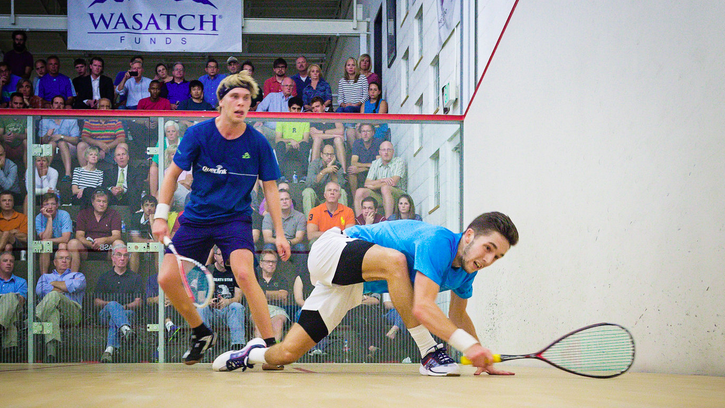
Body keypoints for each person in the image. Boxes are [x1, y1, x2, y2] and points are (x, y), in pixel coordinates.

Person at [214, 212, 519, 377]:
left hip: (350, 285)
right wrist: (466, 345)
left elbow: (458, 315)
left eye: (497, 257)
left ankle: (249, 355)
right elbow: (423, 307)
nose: (488, 259)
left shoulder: (468, 270)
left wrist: (480, 354)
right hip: (335, 249)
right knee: (396, 261)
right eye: (488, 248)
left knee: (284, 356)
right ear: (468, 236)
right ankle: (428, 354)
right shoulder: (437, 241)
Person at [151, 71, 291, 365]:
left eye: (246, 99)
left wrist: (279, 233)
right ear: (221, 101)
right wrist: (161, 216)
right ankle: (201, 331)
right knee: (166, 278)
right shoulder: (198, 134)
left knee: (243, 273)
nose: (241, 103)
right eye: (235, 97)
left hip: (234, 219)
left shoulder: (258, 143)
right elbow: (172, 174)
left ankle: (271, 347)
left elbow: (270, 188)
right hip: (197, 217)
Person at [94, 243, 144, 363]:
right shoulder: (104, 277)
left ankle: (109, 350)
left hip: (128, 313)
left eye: (125, 255)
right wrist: (112, 305)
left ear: (128, 258)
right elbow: (96, 301)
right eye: (119, 255)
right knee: (112, 305)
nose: (122, 258)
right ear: (113, 258)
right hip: (105, 314)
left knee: (115, 319)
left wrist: (123, 307)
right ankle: (126, 330)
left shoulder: (135, 278)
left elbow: (138, 302)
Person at [35, 249, 86, 362]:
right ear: (54, 262)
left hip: (73, 313)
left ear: (71, 262)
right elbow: (39, 291)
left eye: (67, 258)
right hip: (51, 310)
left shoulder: (78, 276)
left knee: (53, 295)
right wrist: (64, 287)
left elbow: (76, 286)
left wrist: (53, 285)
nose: (64, 261)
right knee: (53, 313)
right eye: (61, 258)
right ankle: (51, 355)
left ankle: (34, 320)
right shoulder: (45, 277)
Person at [198, 246, 246, 350]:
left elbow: (238, 297)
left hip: (228, 311)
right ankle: (204, 344)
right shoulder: (206, 271)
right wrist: (209, 301)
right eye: (220, 254)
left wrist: (227, 301)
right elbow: (200, 298)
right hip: (211, 311)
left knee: (237, 306)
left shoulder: (236, 270)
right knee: (201, 307)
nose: (223, 257)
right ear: (215, 256)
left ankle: (238, 345)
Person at [67, 189, 122, 272]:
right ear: (93, 202)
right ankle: (72, 277)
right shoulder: (83, 213)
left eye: (104, 201)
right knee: (72, 243)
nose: (101, 204)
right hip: (87, 249)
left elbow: (117, 235)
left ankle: (117, 278)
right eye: (98, 201)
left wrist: (104, 240)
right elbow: (79, 235)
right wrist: (91, 244)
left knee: (119, 243)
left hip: (107, 249)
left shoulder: (114, 214)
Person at [354, 141, 407, 218]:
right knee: (359, 192)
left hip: (398, 196)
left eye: (389, 150)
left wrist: (374, 186)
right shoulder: (375, 163)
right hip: (379, 195)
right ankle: (360, 221)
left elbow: (393, 182)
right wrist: (382, 180)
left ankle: (388, 220)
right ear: (379, 152)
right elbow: (367, 183)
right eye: (383, 150)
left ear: (393, 152)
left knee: (385, 188)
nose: (386, 152)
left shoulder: (398, 162)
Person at [38, 95, 80, 181]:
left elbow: (76, 140)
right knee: (51, 143)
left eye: (61, 103)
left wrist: (61, 137)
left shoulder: (71, 119)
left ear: (64, 106)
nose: (58, 105)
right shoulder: (44, 120)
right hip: (51, 148)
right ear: (51, 105)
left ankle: (68, 174)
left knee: (61, 143)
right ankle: (45, 173)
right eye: (56, 103)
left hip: (69, 149)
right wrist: (47, 135)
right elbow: (41, 141)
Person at [262, 189, 306, 267]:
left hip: (291, 244)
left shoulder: (300, 216)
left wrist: (288, 243)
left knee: (300, 248)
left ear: (291, 201)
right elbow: (267, 238)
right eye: (281, 200)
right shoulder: (269, 216)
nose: (284, 201)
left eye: (286, 199)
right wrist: (280, 242)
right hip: (275, 244)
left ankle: (302, 277)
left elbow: (299, 238)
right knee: (268, 247)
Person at [302, 145, 348, 216]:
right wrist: (325, 171)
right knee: (307, 192)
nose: (329, 157)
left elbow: (341, 186)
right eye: (327, 154)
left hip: (332, 198)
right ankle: (310, 223)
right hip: (317, 198)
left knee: (342, 192)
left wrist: (331, 171)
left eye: (331, 154)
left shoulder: (338, 165)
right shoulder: (314, 164)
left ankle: (342, 222)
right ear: (321, 155)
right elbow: (308, 184)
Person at [255, 250, 289, 342]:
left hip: (277, 309)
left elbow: (283, 295)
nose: (271, 264)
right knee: (259, 325)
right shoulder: (254, 278)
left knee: (278, 323)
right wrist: (275, 294)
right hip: (257, 309)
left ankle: (273, 349)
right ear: (261, 264)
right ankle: (259, 350)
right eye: (267, 261)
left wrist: (263, 293)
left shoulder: (281, 278)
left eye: (273, 262)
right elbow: (253, 296)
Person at [35, 192, 72, 274]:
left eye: (53, 204)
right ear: (42, 206)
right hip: (48, 248)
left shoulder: (64, 215)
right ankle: (44, 277)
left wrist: (48, 240)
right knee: (44, 245)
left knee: (61, 245)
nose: (50, 207)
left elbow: (65, 239)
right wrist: (49, 218)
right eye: (46, 204)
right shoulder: (38, 218)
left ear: (57, 205)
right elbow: (44, 238)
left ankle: (63, 276)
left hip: (63, 245)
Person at [274, 96, 310, 179]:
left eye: (298, 109)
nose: (296, 111)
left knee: (304, 145)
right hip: (286, 149)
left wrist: (295, 143)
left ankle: (305, 174)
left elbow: (306, 139)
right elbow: (277, 139)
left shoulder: (305, 120)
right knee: (280, 145)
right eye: (294, 108)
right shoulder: (281, 119)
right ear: (289, 108)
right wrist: (290, 141)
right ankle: (281, 174)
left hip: (299, 148)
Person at [102, 143, 145, 210]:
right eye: (118, 155)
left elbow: (138, 188)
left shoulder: (136, 172)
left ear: (128, 157)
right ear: (115, 159)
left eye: (123, 154)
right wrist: (112, 189)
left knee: (134, 192)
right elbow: (104, 186)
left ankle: (134, 218)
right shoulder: (109, 172)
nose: (121, 157)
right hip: (112, 197)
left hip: (128, 196)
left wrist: (123, 190)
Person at [0, 251, 26, 359]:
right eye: (5, 261)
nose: (8, 263)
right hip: (11, 317)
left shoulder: (21, 282)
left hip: (17, 312)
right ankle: (9, 354)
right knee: (10, 322)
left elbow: (22, 300)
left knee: (11, 297)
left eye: (11, 261)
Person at [308, 96, 346, 167]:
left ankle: (343, 172)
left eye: (317, 106)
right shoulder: (312, 120)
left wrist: (321, 132)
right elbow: (314, 136)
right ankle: (313, 171)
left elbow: (341, 131)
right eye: (313, 108)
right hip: (321, 147)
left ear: (323, 106)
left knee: (338, 140)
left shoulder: (333, 115)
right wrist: (334, 134)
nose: (315, 109)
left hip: (334, 146)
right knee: (317, 140)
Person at [255, 77, 296, 141]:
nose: (288, 88)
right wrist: (259, 120)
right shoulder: (271, 96)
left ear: (293, 88)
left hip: (286, 133)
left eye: (290, 86)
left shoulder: (295, 101)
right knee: (258, 130)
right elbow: (261, 108)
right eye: (286, 85)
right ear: (281, 87)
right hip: (270, 130)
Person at [149, 120, 182, 197]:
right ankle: (153, 197)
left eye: (173, 131)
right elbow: (154, 162)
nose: (170, 133)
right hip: (164, 169)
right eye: (168, 131)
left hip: (181, 169)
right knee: (153, 169)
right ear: (165, 133)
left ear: (177, 132)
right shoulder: (161, 141)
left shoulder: (183, 141)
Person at [347, 123, 382, 193]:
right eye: (363, 131)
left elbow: (379, 164)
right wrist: (369, 165)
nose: (365, 134)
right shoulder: (357, 143)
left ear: (373, 133)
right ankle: (355, 200)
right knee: (351, 171)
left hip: (375, 172)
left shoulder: (378, 143)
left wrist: (361, 169)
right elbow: (353, 162)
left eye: (368, 131)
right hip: (364, 172)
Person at [129, 195, 157, 272]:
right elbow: (134, 238)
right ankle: (133, 279)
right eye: (146, 205)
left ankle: (159, 279)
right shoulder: (136, 217)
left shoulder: (160, 219)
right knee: (134, 249)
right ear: (142, 207)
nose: (149, 208)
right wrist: (147, 241)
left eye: (152, 205)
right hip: (142, 243)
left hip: (156, 245)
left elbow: (158, 240)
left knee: (158, 249)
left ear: (155, 208)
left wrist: (152, 222)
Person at [0, 93, 28, 166]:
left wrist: (16, 135)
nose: (18, 106)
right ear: (10, 103)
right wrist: (3, 137)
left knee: (26, 142)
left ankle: (27, 172)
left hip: (20, 147)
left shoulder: (27, 116)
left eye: (20, 104)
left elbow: (28, 135)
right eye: (15, 103)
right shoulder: (4, 115)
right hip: (6, 147)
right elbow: (0, 134)